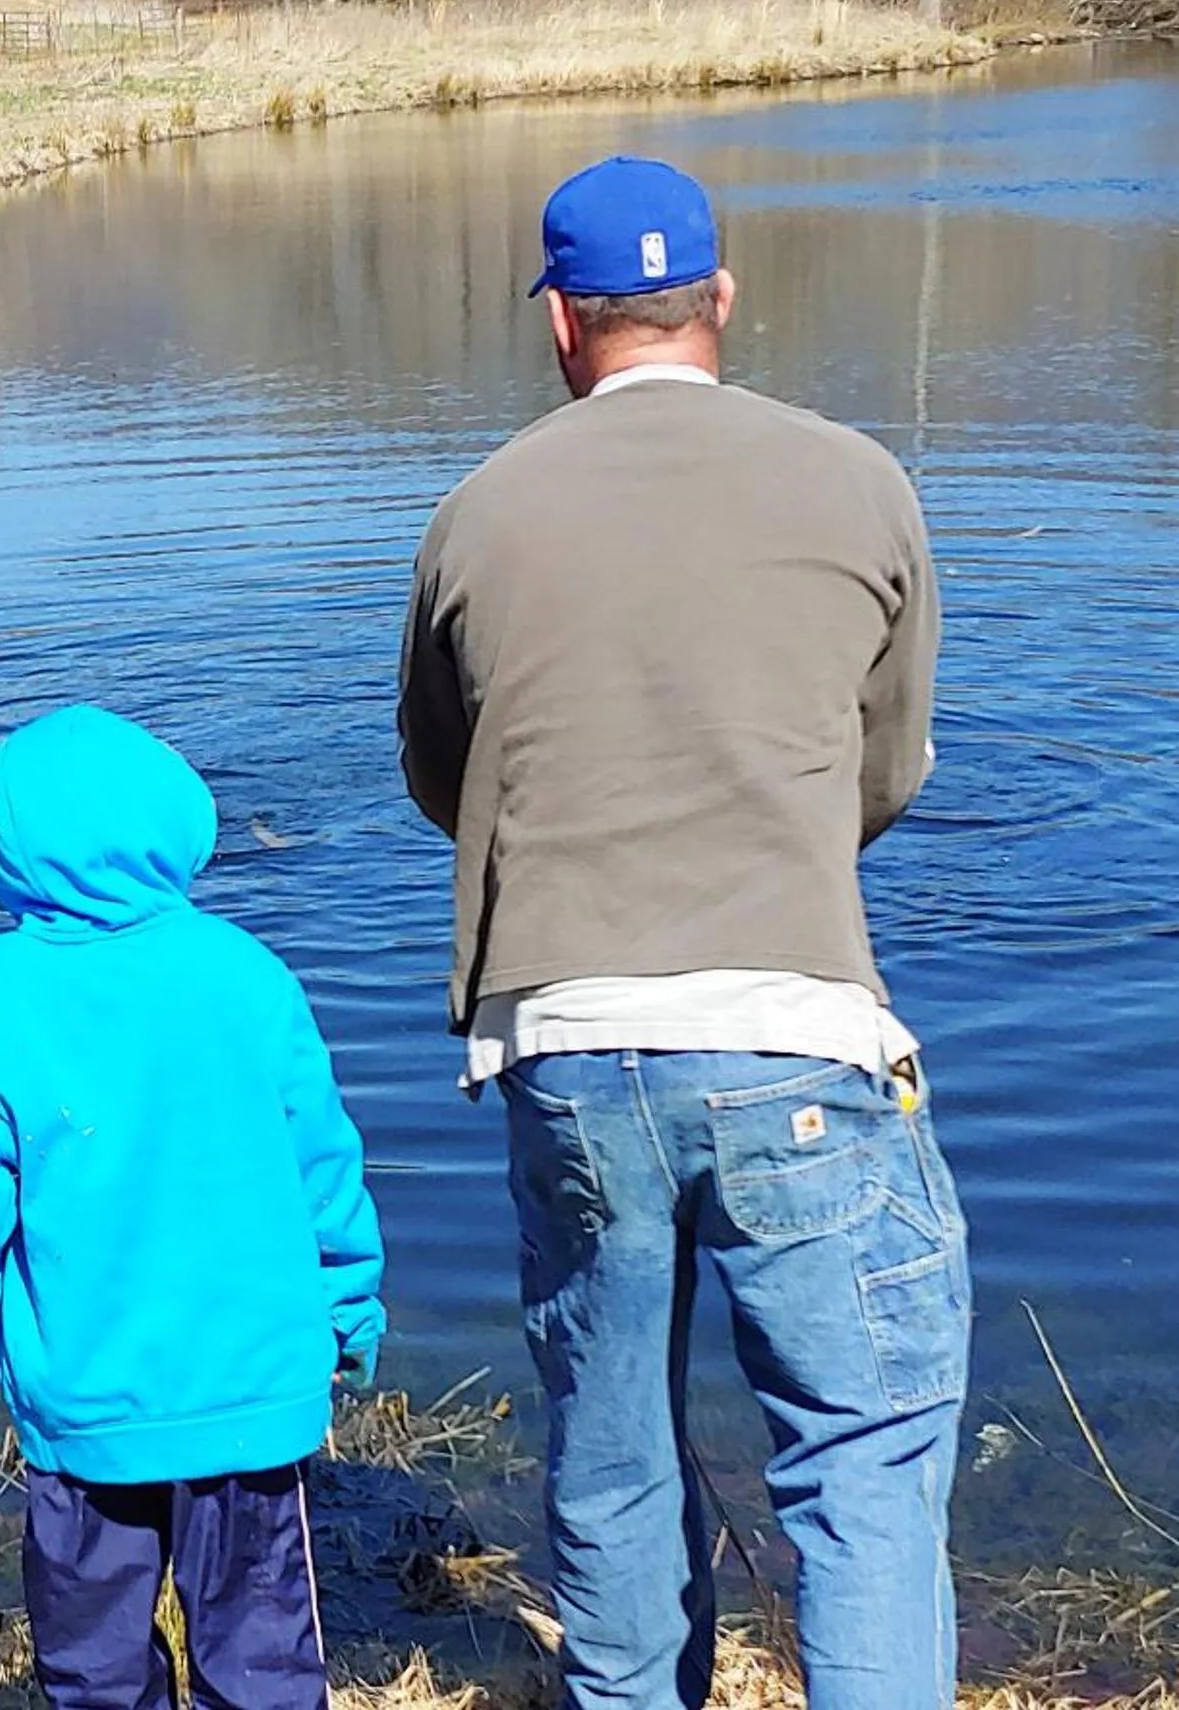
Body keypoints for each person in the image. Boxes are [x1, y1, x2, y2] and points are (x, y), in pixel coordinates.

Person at [396, 156, 971, 1710]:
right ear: (720, 298)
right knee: (859, 1462)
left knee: (611, 1451)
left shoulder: (475, 513)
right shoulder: (862, 481)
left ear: (562, 322)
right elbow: (887, 769)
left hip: (563, 1040)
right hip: (797, 1031)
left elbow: (448, 783)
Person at [0, 704, 388, 1710]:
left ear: (7, 847)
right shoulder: (248, 974)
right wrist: (348, 1315)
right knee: (263, 1665)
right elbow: (325, 1174)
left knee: (94, 1671)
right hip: (250, 1393)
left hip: (84, 1406)